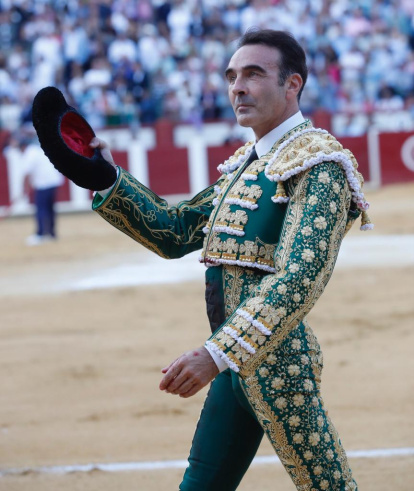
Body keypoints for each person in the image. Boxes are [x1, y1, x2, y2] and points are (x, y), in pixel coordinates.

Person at [35, 29, 373, 490]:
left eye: (253, 74)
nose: (237, 87)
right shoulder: (245, 165)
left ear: (292, 84)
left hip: (278, 365)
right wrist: (107, 176)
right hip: (235, 362)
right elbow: (174, 231)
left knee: (328, 486)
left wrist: (215, 354)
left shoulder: (321, 164)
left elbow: (299, 279)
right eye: (232, 76)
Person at [20, 137, 64, 245]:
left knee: (41, 209)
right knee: (50, 208)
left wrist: (25, 188)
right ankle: (52, 234)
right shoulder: (39, 150)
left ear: (23, 147)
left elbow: (26, 173)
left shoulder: (30, 152)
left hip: (43, 184)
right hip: (53, 181)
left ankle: (40, 234)